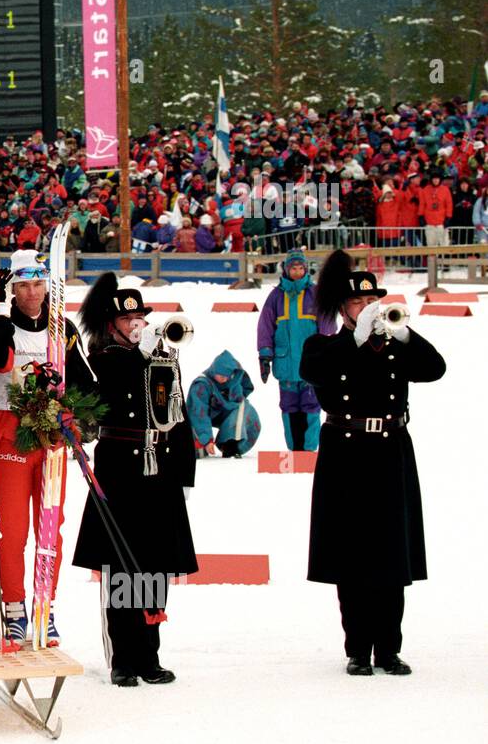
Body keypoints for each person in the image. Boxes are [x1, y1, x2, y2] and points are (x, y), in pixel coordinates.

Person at [301, 250, 446, 676]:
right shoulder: (324, 345)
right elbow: (315, 372)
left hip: (390, 450)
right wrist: (353, 339)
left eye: (372, 303)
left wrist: (404, 335)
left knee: (391, 552)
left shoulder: (394, 345)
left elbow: (435, 369)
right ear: (342, 308)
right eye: (358, 303)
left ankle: (389, 648)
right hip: (345, 451)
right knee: (351, 553)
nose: (368, 309)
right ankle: (357, 649)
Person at [73, 274, 197, 687]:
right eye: (127, 318)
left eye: (139, 315)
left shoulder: (161, 357)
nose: (136, 323)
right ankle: (123, 657)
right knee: (122, 565)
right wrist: (140, 356)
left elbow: (175, 410)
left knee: (155, 566)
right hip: (121, 469)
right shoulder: (105, 356)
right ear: (112, 325)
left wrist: (184, 472)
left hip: (158, 470)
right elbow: (111, 391)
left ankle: (150, 653)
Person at [0, 249, 94, 643]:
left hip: (52, 433)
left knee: (51, 527)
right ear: (11, 289)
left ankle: (46, 602)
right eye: (23, 285)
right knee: (13, 529)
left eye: (38, 284)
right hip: (12, 429)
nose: (32, 292)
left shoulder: (63, 330)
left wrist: (79, 415)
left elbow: (83, 382)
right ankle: (14, 606)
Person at [256, 250, 334, 451]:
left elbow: (327, 323)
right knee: (288, 406)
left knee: (311, 406)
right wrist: (265, 355)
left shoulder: (316, 294)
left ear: (306, 269)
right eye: (293, 268)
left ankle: (308, 449)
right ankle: (293, 448)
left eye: (301, 268)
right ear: (286, 270)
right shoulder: (275, 296)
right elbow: (265, 326)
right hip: (285, 363)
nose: (297, 272)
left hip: (312, 364)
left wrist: (328, 351)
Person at [186, 350, 260, 458]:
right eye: (221, 376)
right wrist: (207, 440)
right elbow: (198, 413)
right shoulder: (201, 384)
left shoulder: (234, 379)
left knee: (243, 407)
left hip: (227, 412)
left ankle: (230, 444)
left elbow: (245, 388)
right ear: (214, 371)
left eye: (227, 376)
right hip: (203, 415)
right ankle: (199, 444)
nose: (224, 379)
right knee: (198, 454)